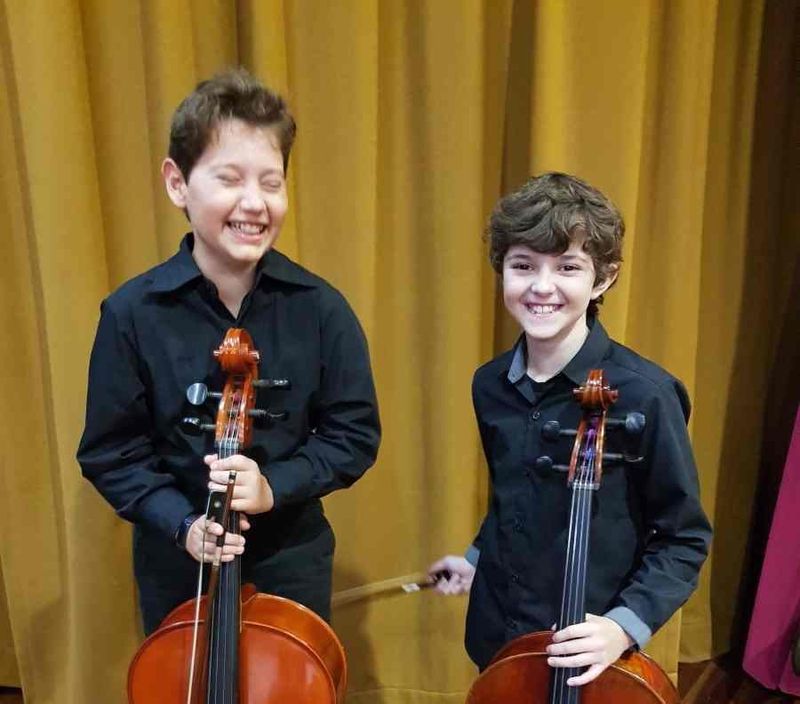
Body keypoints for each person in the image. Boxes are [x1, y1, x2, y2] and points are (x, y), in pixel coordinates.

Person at [77, 69, 380, 635]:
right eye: (230, 179)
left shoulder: (320, 309)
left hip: (291, 560)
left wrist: (274, 486)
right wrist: (182, 522)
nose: (254, 203)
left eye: (271, 182)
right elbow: (111, 453)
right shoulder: (132, 313)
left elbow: (353, 435)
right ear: (177, 183)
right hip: (178, 564)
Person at [429, 172, 711, 685]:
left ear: (602, 278)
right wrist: (477, 557)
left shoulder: (648, 395)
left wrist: (623, 628)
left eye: (567, 267)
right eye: (523, 266)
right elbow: (514, 497)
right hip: (500, 641)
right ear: (502, 271)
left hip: (593, 653)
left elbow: (682, 538)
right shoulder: (489, 384)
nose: (541, 286)